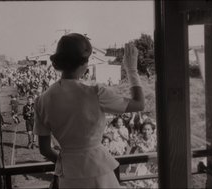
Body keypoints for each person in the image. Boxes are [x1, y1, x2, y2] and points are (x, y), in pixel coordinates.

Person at [33, 33, 144, 188]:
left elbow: (45, 149)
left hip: (68, 176)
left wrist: (68, 161)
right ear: (84, 63)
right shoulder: (96, 92)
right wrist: (132, 70)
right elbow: (139, 104)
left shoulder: (41, 100)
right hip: (98, 170)